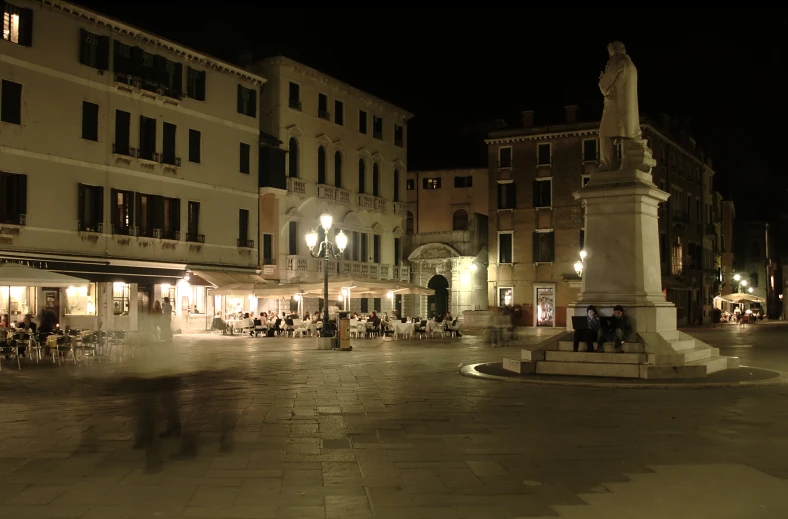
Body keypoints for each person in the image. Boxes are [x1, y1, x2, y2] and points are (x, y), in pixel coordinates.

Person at [598, 41, 641, 170]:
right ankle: (627, 165)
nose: (610, 55)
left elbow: (604, 84)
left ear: (614, 51)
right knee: (628, 134)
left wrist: (602, 77)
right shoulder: (631, 65)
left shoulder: (617, 61)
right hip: (628, 110)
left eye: (610, 51)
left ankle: (607, 165)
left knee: (604, 133)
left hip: (615, 105)